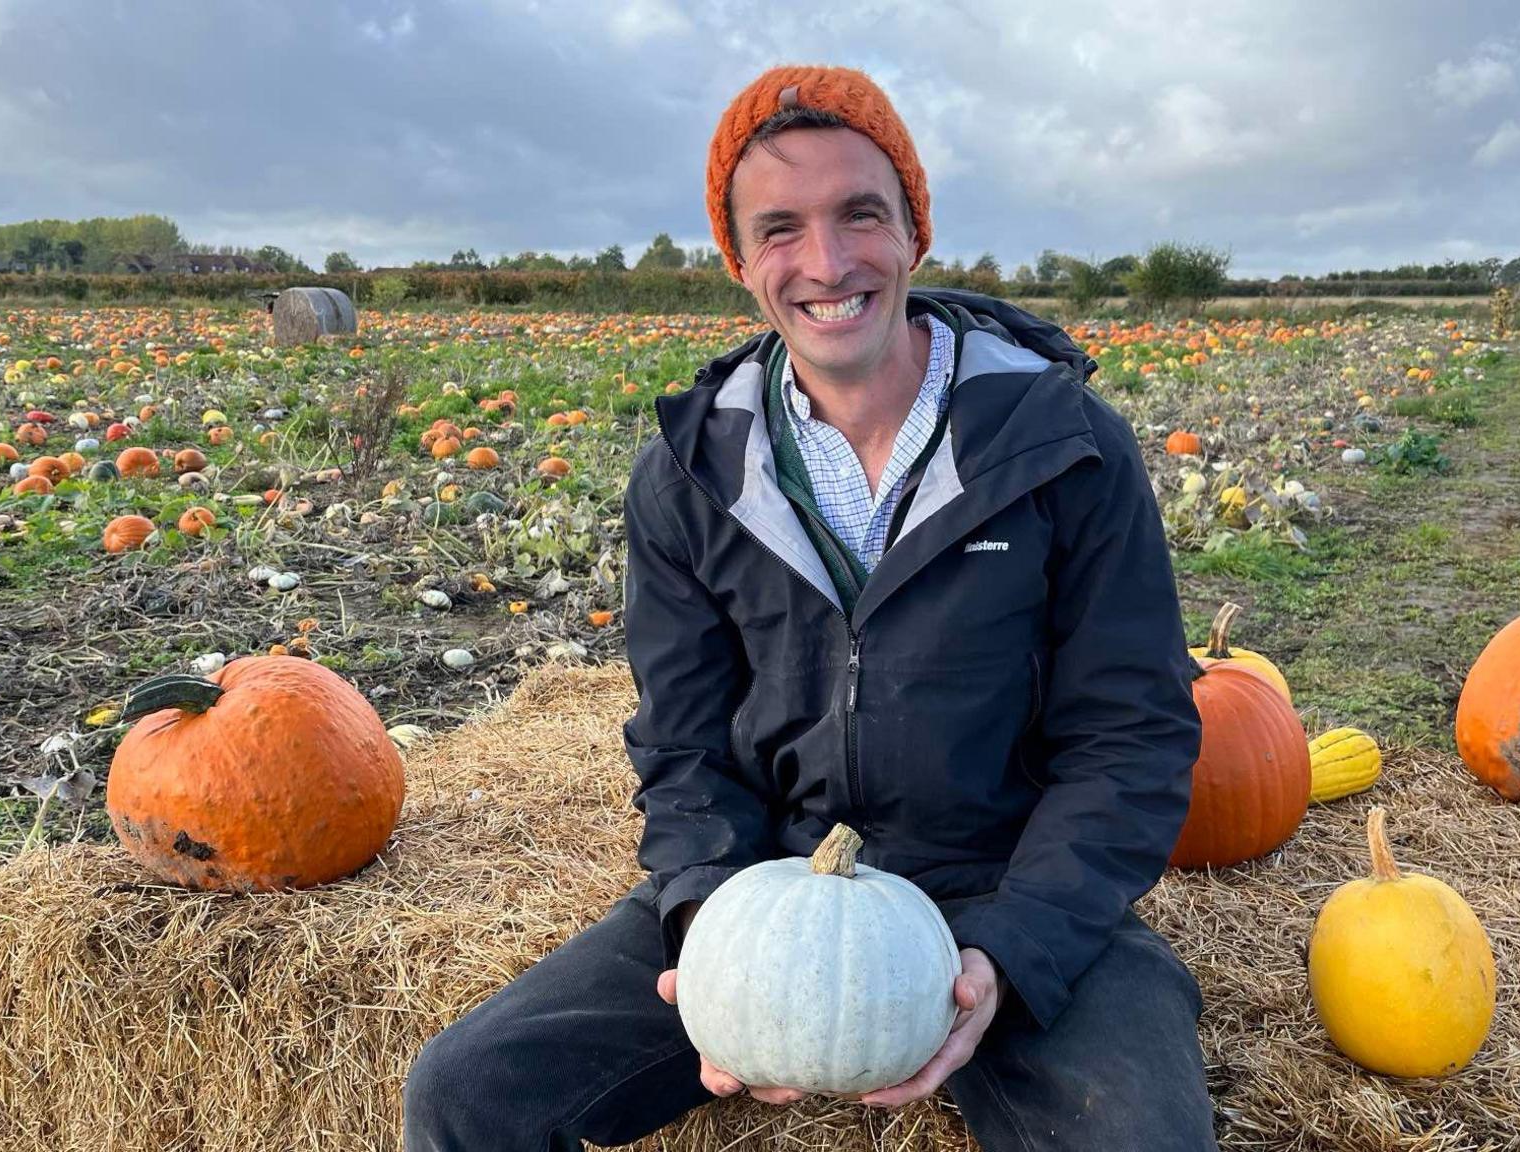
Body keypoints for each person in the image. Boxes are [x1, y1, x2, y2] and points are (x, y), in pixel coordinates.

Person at [402, 64, 1213, 1152]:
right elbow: (684, 750)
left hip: (1005, 882)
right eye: (779, 229)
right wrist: (716, 931)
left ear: (914, 232)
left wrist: (1013, 952)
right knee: (462, 1093)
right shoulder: (690, 476)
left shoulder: (1063, 449)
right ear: (740, 261)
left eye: (858, 216)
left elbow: (1129, 738)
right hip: (772, 881)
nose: (825, 264)